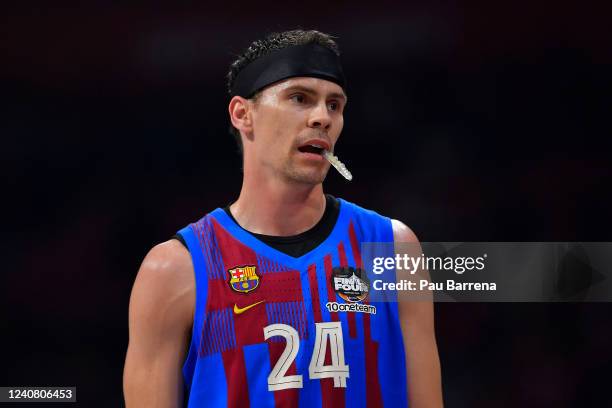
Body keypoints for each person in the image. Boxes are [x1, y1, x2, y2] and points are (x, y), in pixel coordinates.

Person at [123, 29, 443, 407]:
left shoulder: (392, 247)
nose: (322, 117)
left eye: (335, 105)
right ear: (243, 114)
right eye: (300, 98)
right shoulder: (175, 269)